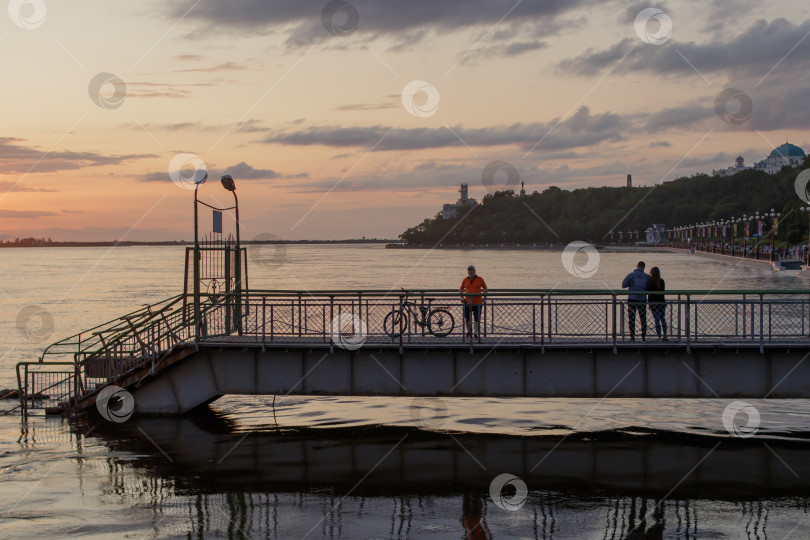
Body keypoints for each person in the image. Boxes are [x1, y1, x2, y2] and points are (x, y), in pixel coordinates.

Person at [621, 261, 649, 341]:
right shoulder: (647, 276)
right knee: (643, 318)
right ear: (644, 267)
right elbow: (649, 287)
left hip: (632, 299)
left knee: (632, 318)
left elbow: (623, 285)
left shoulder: (631, 275)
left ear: (637, 266)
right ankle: (643, 336)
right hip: (642, 300)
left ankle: (632, 336)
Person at [460, 265, 487, 338]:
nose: (470, 272)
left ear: (475, 271)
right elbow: (461, 288)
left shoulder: (480, 279)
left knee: (477, 318)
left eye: (472, 270)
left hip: (477, 302)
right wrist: (461, 297)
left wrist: (485, 298)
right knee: (466, 318)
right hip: (467, 302)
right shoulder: (465, 279)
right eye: (469, 271)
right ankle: (469, 331)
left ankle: (475, 332)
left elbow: (484, 287)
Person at [646, 266, 667, 341]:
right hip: (662, 302)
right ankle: (665, 335)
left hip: (653, 303)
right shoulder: (662, 281)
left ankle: (659, 336)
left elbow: (647, 290)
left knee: (657, 320)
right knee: (663, 319)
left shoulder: (650, 281)